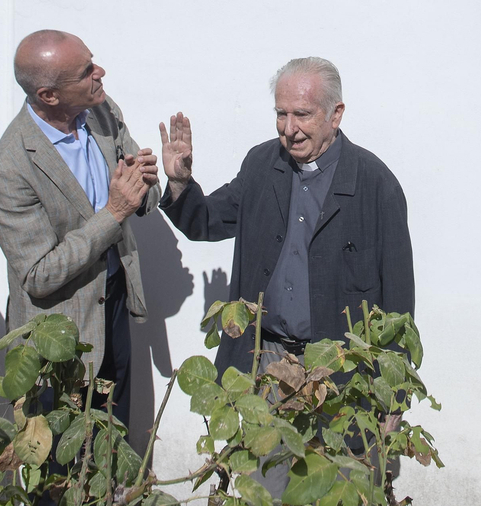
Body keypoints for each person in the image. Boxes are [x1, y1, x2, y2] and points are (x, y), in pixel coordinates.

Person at [157, 57, 414, 375]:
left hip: (342, 371)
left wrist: (393, 395)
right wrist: (180, 183)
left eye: (302, 115)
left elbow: (399, 301)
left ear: (335, 115)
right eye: (282, 114)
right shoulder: (261, 165)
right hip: (266, 359)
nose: (289, 129)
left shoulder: (375, 184)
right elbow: (206, 221)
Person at [0, 30, 159, 433]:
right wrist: (113, 213)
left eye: (92, 61)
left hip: (112, 306)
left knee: (113, 437)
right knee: (64, 466)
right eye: (86, 72)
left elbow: (139, 197)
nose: (100, 72)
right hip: (60, 336)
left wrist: (151, 180)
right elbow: (38, 275)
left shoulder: (102, 110)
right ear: (49, 95)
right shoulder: (10, 167)